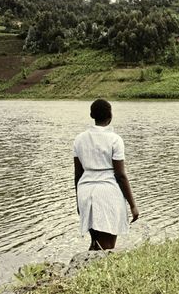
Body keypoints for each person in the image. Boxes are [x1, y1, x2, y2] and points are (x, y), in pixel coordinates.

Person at [73, 99, 139, 250]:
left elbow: (77, 175)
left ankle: (86, 269)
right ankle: (93, 271)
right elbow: (120, 175)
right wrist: (133, 205)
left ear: (91, 115)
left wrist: (78, 201)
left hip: (85, 192)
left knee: (96, 242)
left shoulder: (79, 139)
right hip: (107, 193)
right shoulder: (115, 140)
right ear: (110, 115)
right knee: (107, 246)